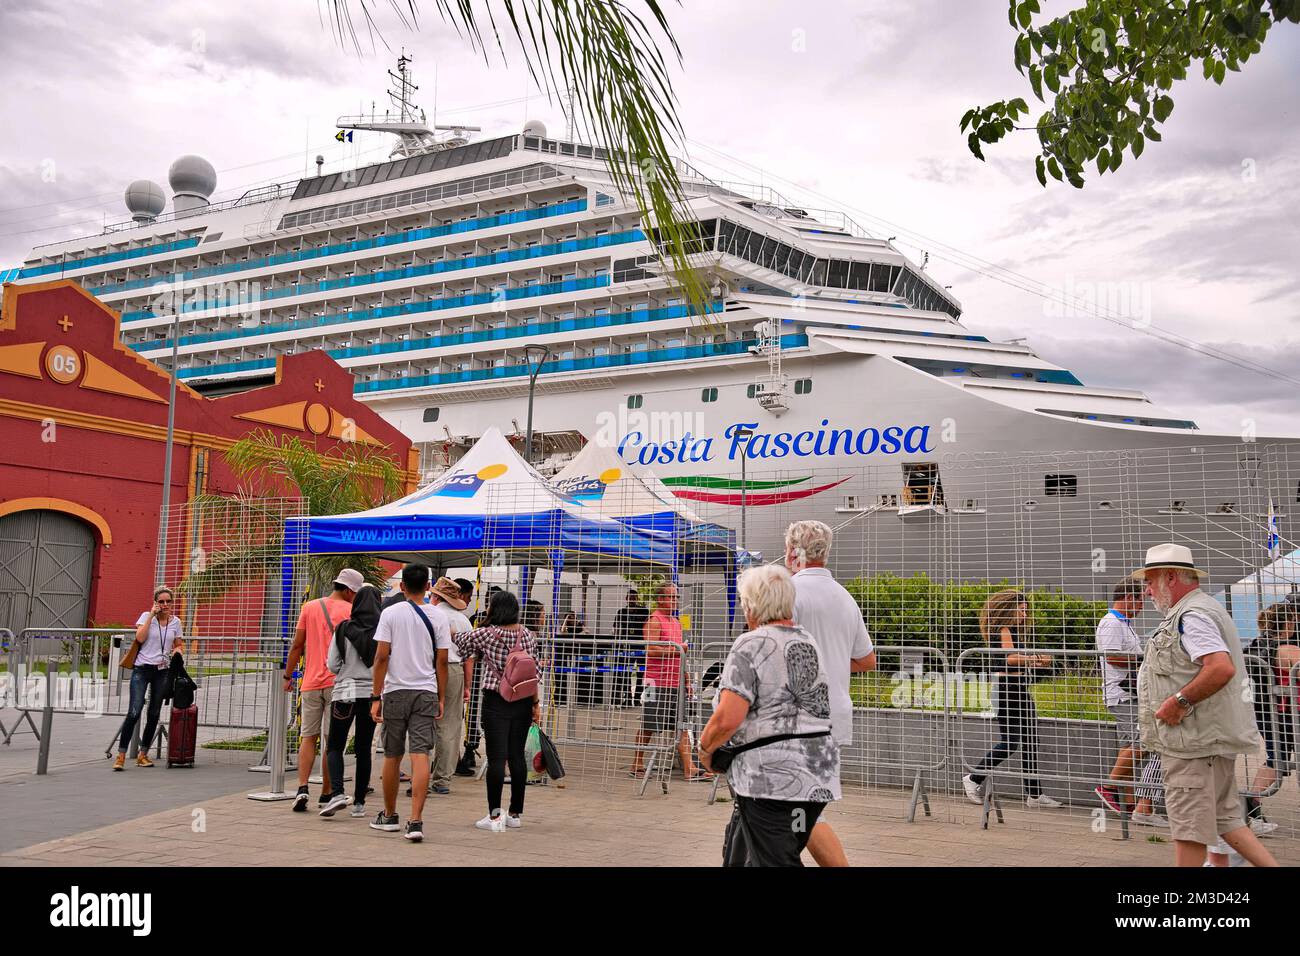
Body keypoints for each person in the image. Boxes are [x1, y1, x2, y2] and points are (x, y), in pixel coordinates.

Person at [1133, 543, 1278, 867]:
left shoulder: (1191, 615)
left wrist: (1178, 701)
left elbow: (1219, 666)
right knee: (1226, 820)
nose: (1147, 589)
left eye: (1150, 580)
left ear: (1170, 577)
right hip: (1209, 741)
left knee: (1189, 829)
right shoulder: (1204, 608)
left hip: (1193, 745)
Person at [698, 564, 839, 867]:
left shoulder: (752, 644)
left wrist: (705, 750)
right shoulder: (807, 641)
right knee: (776, 848)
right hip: (816, 777)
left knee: (775, 860)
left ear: (752, 605)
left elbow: (728, 717)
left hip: (772, 780)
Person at [785, 520, 877, 867]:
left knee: (799, 812)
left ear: (793, 552)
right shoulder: (844, 597)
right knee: (804, 810)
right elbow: (867, 660)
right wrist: (830, 664)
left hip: (795, 718)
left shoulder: (788, 592)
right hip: (833, 718)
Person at [369, 564, 451, 843]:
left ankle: (390, 815)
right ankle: (415, 821)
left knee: (392, 754)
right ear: (428, 587)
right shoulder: (439, 617)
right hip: (426, 691)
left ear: (401, 586)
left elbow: (381, 657)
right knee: (420, 754)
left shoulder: (390, 613)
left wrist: (376, 695)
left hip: (394, 692)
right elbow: (442, 660)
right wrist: (441, 697)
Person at [962, 589, 1063, 809]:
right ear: (1009, 610)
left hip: (1017, 688)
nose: (1025, 615)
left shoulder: (1013, 632)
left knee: (1030, 740)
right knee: (1010, 742)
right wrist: (1037, 658)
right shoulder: (1004, 629)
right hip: (1007, 690)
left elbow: (1017, 659)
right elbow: (1010, 659)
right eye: (1021, 610)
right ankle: (973, 779)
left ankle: (1034, 795)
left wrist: (1038, 661)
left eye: (1026, 611)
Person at [452, 590, 542, 831]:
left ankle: (493, 816)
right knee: (516, 757)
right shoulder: (528, 635)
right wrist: (535, 705)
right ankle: (514, 814)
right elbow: (535, 674)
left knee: (496, 759)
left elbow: (459, 641)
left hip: (496, 700)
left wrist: (451, 628)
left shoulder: (486, 634)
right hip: (523, 701)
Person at [284, 568, 361, 810]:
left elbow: (297, 645)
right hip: (341, 684)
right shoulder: (352, 612)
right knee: (333, 740)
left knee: (308, 736)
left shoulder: (310, 607)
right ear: (349, 590)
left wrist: (288, 675)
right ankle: (327, 791)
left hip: (310, 682)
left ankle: (302, 787)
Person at [628, 581, 710, 781]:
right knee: (649, 724)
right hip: (655, 683)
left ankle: (690, 768)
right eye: (671, 597)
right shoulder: (654, 620)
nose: (675, 601)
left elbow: (682, 656)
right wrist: (677, 649)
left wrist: (687, 681)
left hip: (675, 682)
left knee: (681, 726)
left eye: (676, 597)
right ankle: (637, 763)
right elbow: (651, 649)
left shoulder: (676, 622)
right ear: (660, 599)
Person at [320, 583, 381, 818]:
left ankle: (337, 793)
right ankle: (359, 803)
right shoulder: (383, 632)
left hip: (344, 693)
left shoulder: (343, 629)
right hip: (371, 696)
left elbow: (333, 665)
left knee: (335, 745)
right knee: (364, 749)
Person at [1094, 580, 1153, 818]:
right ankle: (1107, 786)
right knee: (1143, 742)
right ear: (1129, 597)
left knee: (1129, 746)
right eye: (1140, 600)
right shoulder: (1111, 623)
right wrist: (1145, 661)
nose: (1141, 606)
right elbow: (1111, 657)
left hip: (1128, 693)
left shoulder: (1123, 624)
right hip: (1122, 695)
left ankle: (1129, 803)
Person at [1242, 601, 1299, 835]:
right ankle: (1248, 807)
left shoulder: (1258, 645)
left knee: (1277, 760)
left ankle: (1250, 806)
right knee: (1278, 760)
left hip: (1269, 713)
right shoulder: (1286, 649)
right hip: (1288, 713)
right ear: (1288, 624)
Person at [113, 585, 185, 770]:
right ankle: (120, 756)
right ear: (155, 602)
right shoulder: (146, 617)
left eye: (168, 601)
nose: (165, 604)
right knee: (134, 711)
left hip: (162, 671)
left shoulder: (175, 622)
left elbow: (178, 644)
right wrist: (152, 616)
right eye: (161, 601)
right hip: (142, 669)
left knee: (154, 713)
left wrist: (177, 652)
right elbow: (140, 638)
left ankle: (143, 754)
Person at [429, 577, 472, 796]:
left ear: (436, 596)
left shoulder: (428, 613)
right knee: (450, 725)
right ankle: (442, 778)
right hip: (455, 671)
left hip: (427, 669)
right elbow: (469, 658)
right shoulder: (463, 620)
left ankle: (420, 773)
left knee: (424, 722)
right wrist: (467, 686)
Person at [456, 581, 494, 778]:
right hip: (476, 673)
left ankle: (471, 748)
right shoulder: (476, 620)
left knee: (475, 714)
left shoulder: (479, 621)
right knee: (472, 714)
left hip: (479, 674)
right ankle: (469, 748)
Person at [611, 587, 649, 706]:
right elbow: (615, 629)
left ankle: (637, 698)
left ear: (637, 599)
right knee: (626, 672)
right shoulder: (621, 612)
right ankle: (627, 698)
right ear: (626, 599)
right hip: (626, 647)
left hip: (641, 646)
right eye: (630, 598)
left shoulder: (644, 612)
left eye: (634, 598)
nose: (632, 600)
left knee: (641, 673)